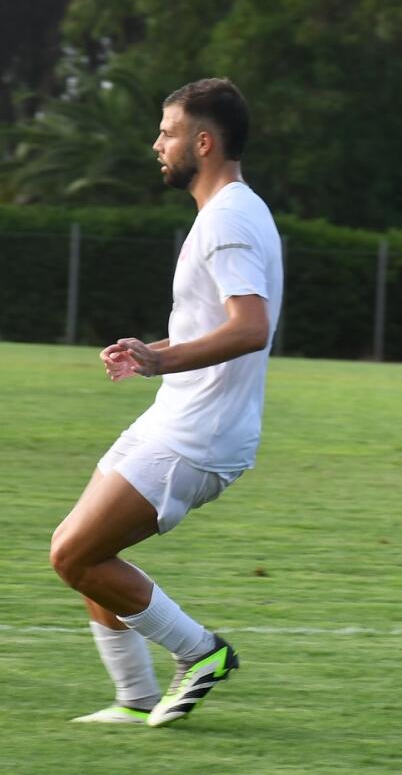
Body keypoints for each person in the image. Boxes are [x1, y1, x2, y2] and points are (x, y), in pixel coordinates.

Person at [50, 77, 283, 727]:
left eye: (168, 131)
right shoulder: (233, 211)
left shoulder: (229, 220)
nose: (157, 143)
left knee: (74, 555)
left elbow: (250, 326)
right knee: (84, 557)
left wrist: (161, 361)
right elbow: (213, 323)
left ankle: (202, 653)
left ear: (203, 142)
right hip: (178, 417)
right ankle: (134, 697)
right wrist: (151, 349)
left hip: (199, 435)